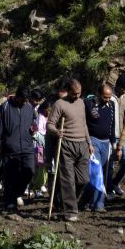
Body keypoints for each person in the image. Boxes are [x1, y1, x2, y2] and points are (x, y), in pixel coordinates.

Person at [46, 79, 93, 222]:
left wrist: (89, 142)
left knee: (83, 179)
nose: (77, 96)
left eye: (79, 93)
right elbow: (50, 124)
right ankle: (71, 211)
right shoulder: (60, 104)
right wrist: (56, 132)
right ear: (68, 91)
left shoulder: (81, 103)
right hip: (66, 144)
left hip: (82, 144)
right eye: (74, 94)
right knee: (68, 180)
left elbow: (84, 124)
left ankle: (63, 201)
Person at [0, 85, 36, 213]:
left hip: (27, 146)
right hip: (10, 147)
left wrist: (33, 129)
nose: (25, 102)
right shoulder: (5, 107)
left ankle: (16, 193)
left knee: (29, 172)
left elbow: (32, 123)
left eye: (27, 100)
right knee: (10, 176)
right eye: (23, 99)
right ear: (17, 96)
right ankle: (9, 202)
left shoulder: (29, 108)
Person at [83, 84, 116, 212]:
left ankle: (85, 201)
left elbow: (112, 125)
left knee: (102, 173)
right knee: (97, 173)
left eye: (109, 97)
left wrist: (114, 144)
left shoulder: (111, 105)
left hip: (106, 142)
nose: (107, 99)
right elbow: (85, 103)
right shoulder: (90, 103)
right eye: (104, 97)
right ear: (98, 94)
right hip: (93, 141)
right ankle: (99, 204)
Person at [108, 73, 125, 197]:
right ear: (117, 86)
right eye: (123, 88)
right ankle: (108, 189)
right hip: (112, 134)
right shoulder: (110, 96)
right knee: (110, 163)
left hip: (124, 134)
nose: (124, 90)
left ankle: (115, 183)